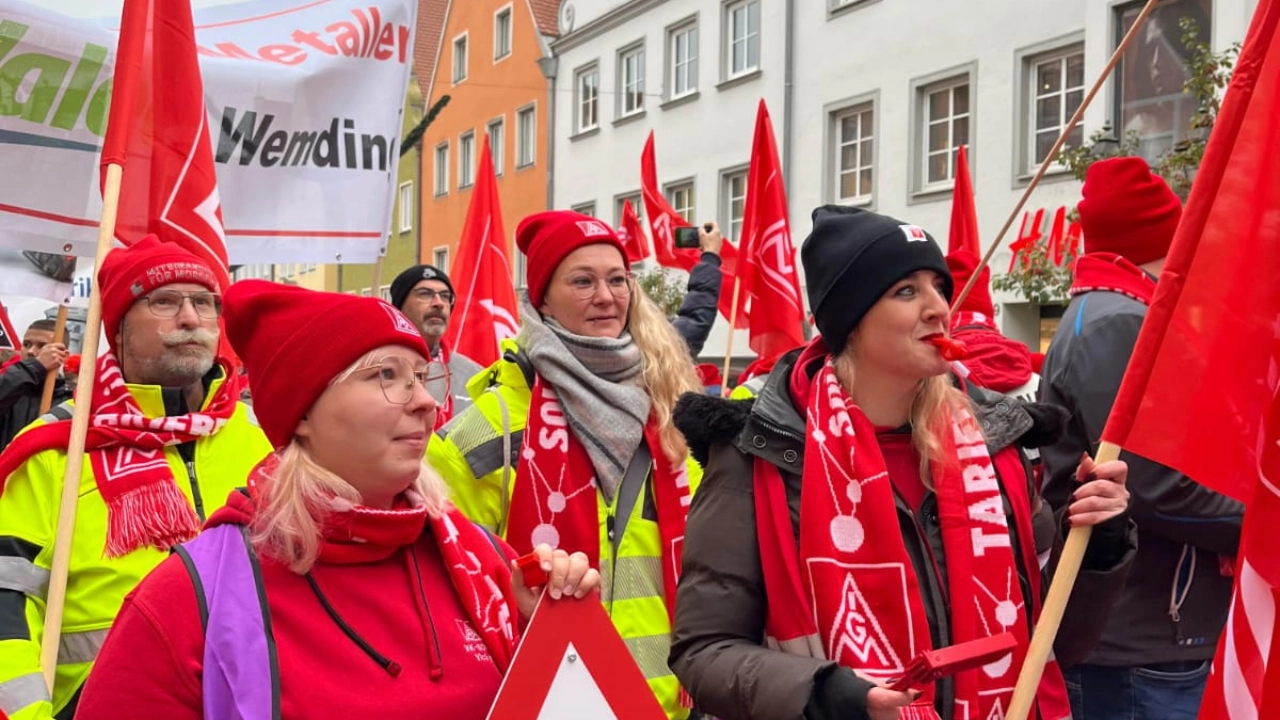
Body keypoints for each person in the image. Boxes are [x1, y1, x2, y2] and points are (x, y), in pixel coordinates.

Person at [669, 206, 1136, 720]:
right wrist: (825, 695)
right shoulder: (757, 453)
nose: (939, 307)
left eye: (939, 286)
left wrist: (1097, 545)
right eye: (906, 291)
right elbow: (704, 651)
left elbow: (1050, 641)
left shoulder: (994, 446)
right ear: (851, 319)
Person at [74, 281, 598, 719]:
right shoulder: (192, 598)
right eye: (385, 376)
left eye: (421, 377)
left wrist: (551, 635)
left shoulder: (483, 559)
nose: (422, 402)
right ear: (303, 413)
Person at [429, 210, 704, 719]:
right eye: (582, 281)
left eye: (617, 279)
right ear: (542, 299)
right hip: (541, 701)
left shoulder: (671, 410)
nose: (606, 296)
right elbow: (446, 588)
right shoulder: (487, 430)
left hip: (664, 707)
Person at [0, 236, 272, 720]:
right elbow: (7, 601)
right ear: (119, 330)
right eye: (164, 301)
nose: (191, 318)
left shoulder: (265, 439)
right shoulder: (56, 446)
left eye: (205, 303)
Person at [1039, 157, 1242, 720]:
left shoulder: (1107, 314)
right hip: (1141, 631)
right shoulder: (1119, 323)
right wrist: (1259, 523)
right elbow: (1151, 484)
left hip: (1145, 624)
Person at [389, 264, 485, 429]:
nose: (438, 303)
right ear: (399, 306)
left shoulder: (474, 374)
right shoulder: (379, 366)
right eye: (425, 294)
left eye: (445, 296)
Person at [0, 319, 72, 448]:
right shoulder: (9, 390)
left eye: (42, 346)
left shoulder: (70, 401)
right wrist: (36, 367)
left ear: (64, 356)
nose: (31, 351)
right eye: (26, 344)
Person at [671, 222, 724, 358]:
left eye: (617, 280)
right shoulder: (646, 351)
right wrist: (710, 256)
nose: (607, 297)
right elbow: (693, 325)